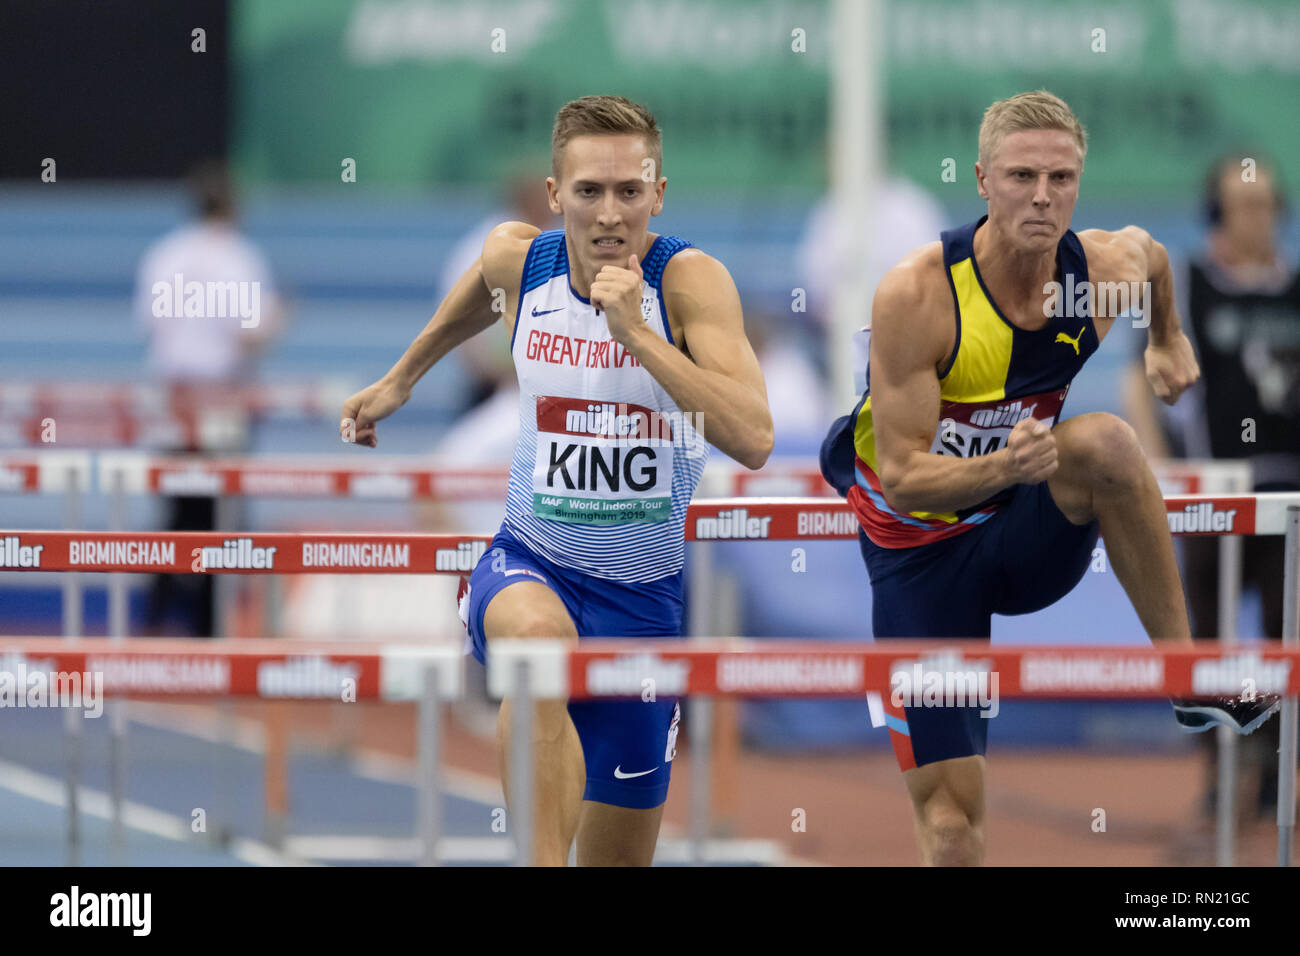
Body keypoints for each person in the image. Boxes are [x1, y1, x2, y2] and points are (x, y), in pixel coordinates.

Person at [819, 90, 1280, 866]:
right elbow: (899, 479)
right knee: (954, 831)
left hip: (1020, 536)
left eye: (1061, 178)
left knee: (1105, 440)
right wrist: (1005, 463)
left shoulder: (1100, 272)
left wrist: (1166, 338)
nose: (1042, 196)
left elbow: (1156, 257)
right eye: (1021, 176)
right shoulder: (918, 294)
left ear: (1079, 180)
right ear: (981, 181)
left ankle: (1184, 673)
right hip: (919, 558)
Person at [340, 95, 773, 865]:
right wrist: (401, 379)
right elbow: (479, 289)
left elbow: (753, 438)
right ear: (554, 196)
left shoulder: (691, 285)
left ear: (658, 196)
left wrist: (638, 334)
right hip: (527, 566)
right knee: (540, 647)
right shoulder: (523, 259)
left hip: (641, 607)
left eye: (629, 193)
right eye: (588, 193)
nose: (610, 215)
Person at [1124, 152, 1299, 828]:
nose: (1257, 218)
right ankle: (1224, 779)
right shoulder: (1190, 282)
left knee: (1289, 639)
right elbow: (1140, 380)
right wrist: (1159, 469)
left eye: (1265, 205)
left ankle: (1278, 782)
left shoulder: (1296, 284)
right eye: (1242, 206)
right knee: (1209, 645)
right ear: (1216, 213)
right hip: (1214, 492)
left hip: (1290, 497)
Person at [134, 159, 284, 636]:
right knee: (219, 508)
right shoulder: (238, 257)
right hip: (219, 397)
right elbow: (250, 334)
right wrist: (281, 320)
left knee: (177, 505)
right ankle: (206, 624)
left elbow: (148, 323)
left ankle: (157, 614)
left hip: (173, 395)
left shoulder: (164, 254)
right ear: (233, 207)